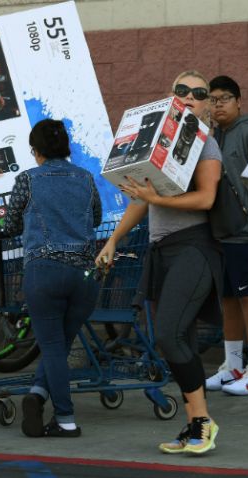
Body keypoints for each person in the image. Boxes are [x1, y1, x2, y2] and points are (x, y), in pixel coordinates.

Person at [95, 70, 222, 455]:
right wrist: (113, 240)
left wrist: (158, 200)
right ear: (170, 96)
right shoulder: (158, 144)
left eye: (198, 94)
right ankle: (195, 424)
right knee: (174, 337)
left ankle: (202, 422)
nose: (188, 97)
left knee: (168, 334)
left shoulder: (206, 145)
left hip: (194, 248)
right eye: (181, 90)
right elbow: (140, 198)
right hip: (163, 251)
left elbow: (206, 200)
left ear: (205, 105)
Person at [0, 119, 103, 438]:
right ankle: (37, 395)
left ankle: (66, 419)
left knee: (54, 347)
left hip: (44, 271)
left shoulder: (28, 180)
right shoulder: (85, 178)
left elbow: (12, 223)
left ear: (37, 151)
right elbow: (96, 217)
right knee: (60, 343)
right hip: (85, 275)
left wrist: (12, 229)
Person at [203, 75, 248, 396]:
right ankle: (232, 366)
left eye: (225, 98)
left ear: (239, 101)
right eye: (213, 99)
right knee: (229, 299)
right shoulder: (215, 135)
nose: (218, 104)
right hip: (224, 232)